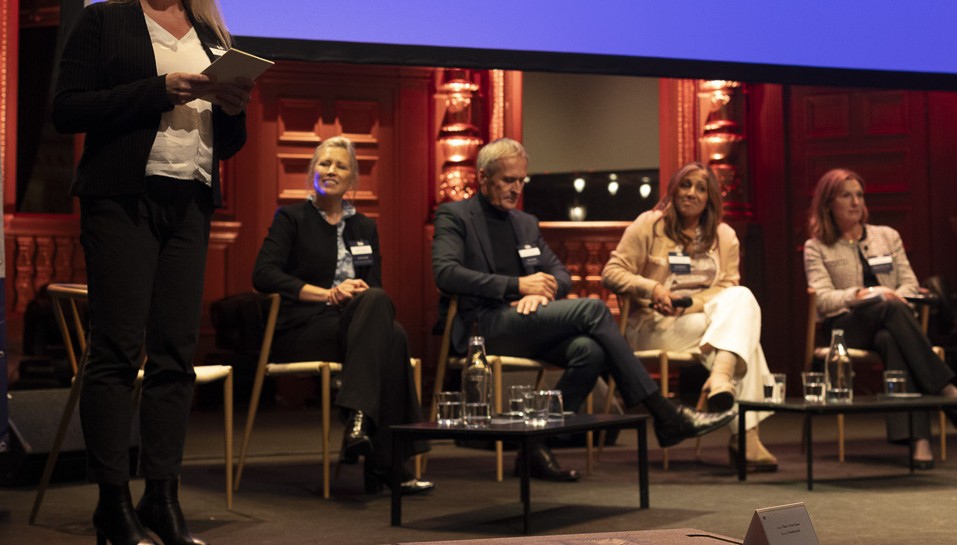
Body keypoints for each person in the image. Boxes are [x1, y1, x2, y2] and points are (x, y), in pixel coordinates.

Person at [53, 0, 254, 545]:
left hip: (189, 201)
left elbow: (225, 146)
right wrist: (157, 89)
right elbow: (66, 110)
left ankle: (162, 498)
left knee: (176, 355)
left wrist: (232, 106)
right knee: (116, 350)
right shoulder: (105, 23)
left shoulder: (213, 36)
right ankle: (112, 502)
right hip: (121, 198)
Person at [432, 138, 735, 482]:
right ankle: (664, 413)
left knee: (589, 351)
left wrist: (542, 291)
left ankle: (534, 447)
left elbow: (560, 274)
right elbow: (446, 273)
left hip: (525, 320)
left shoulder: (524, 223)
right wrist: (517, 286)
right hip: (481, 326)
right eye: (508, 181)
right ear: (483, 177)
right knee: (592, 309)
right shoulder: (455, 215)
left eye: (521, 181)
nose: (517, 188)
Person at [252, 136, 433, 495]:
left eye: (341, 166)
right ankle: (384, 463)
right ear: (312, 173)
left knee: (383, 314)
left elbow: (374, 287)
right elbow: (264, 275)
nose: (331, 171)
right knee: (393, 339)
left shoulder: (365, 227)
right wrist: (329, 293)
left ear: (353, 180)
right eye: (324, 164)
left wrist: (355, 293)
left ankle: (360, 424)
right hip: (303, 326)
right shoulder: (291, 218)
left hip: (354, 325)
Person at [602, 162, 778, 472]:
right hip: (652, 324)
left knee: (741, 297)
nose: (691, 193)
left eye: (700, 188)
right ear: (673, 189)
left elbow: (727, 287)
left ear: (710, 198)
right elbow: (612, 273)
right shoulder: (649, 225)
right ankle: (745, 435)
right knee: (743, 337)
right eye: (685, 185)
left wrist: (690, 305)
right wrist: (652, 288)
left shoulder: (724, 236)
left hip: (700, 320)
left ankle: (722, 378)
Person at [803, 169, 957, 468]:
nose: (855, 202)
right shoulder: (817, 247)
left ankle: (918, 441)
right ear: (828, 204)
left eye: (859, 195)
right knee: (890, 310)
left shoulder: (887, 236)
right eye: (846, 195)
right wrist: (867, 293)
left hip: (891, 320)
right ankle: (943, 387)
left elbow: (908, 282)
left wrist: (895, 297)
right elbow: (824, 299)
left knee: (890, 337)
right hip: (845, 326)